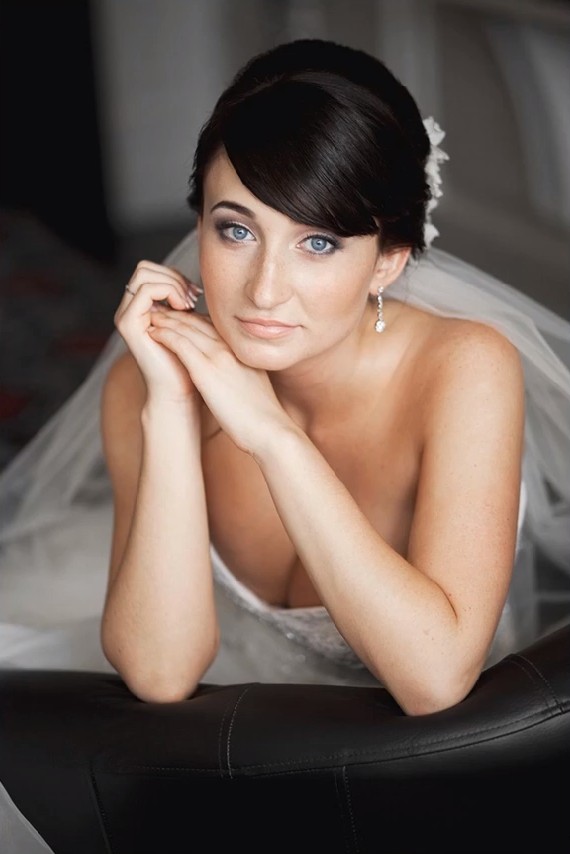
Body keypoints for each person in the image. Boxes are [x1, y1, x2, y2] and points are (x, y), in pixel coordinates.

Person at [1, 39, 570, 713]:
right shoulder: (145, 382)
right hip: (239, 717)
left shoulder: (464, 368)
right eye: (236, 231)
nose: (265, 290)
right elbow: (160, 675)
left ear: (388, 261)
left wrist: (271, 434)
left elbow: (434, 680)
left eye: (318, 243)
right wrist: (171, 410)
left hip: (434, 753)